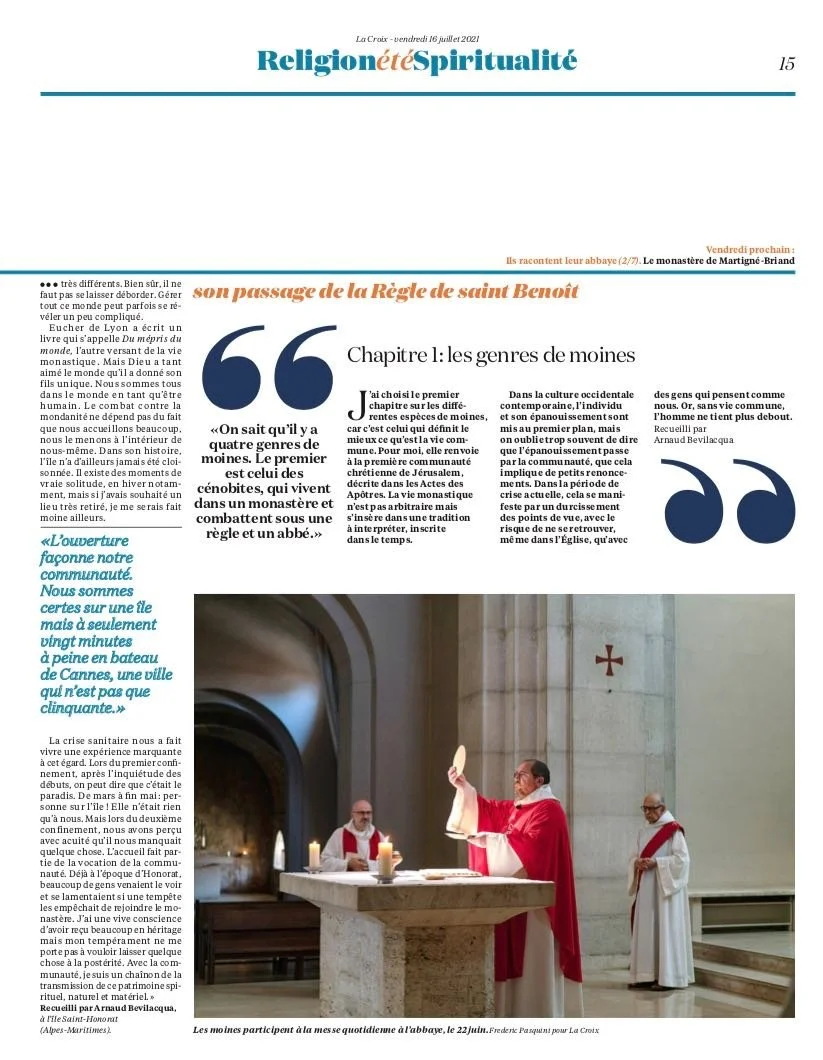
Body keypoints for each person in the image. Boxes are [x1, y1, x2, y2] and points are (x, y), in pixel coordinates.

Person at [446, 759, 583, 1017]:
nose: (515, 780)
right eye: (515, 775)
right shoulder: (520, 808)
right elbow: (488, 810)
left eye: (521, 775)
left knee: (534, 968)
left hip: (536, 909)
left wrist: (487, 841)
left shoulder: (549, 811)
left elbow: (532, 851)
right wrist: (464, 788)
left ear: (540, 780)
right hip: (516, 902)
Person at [628, 793, 694, 990]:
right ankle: (646, 975)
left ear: (662, 808)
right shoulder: (642, 831)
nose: (647, 813)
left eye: (651, 808)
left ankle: (668, 978)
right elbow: (633, 855)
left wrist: (657, 863)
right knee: (647, 931)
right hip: (646, 888)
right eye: (644, 809)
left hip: (665, 891)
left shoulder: (673, 830)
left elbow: (682, 860)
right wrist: (636, 862)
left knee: (665, 930)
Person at [320, 799, 389, 872]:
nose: (365, 816)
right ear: (352, 814)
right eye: (361, 813)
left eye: (368, 813)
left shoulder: (379, 836)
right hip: (346, 882)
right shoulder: (339, 834)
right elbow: (324, 861)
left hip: (372, 882)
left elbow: (387, 864)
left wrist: (368, 865)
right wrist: (347, 864)